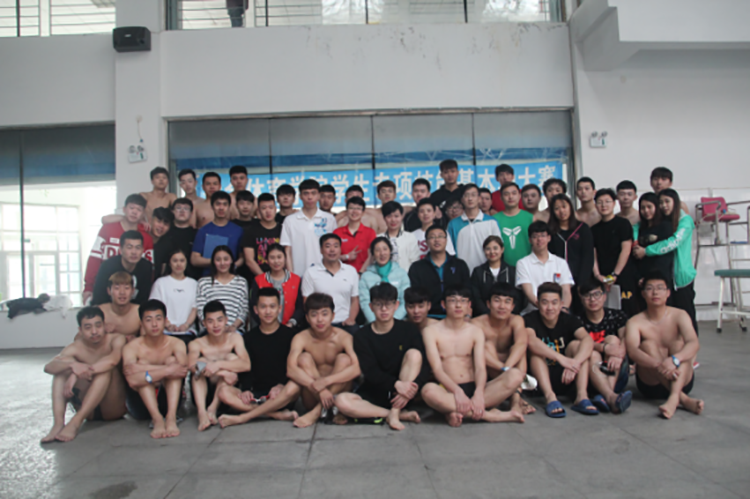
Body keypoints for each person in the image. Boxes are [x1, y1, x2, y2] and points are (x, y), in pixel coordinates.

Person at [421, 285, 525, 427]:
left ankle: (454, 411)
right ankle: (489, 415)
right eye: (452, 301)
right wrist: (457, 391)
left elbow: (480, 368)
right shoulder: (431, 331)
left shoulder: (475, 331)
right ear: (443, 304)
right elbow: (437, 369)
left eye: (463, 301)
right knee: (428, 391)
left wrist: (479, 393)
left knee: (516, 375)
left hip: (474, 386)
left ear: (469, 305)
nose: (458, 305)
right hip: (448, 389)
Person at [335, 283, 428, 430]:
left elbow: (425, 365)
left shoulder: (409, 330)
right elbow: (370, 371)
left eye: (388, 304)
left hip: (403, 394)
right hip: (374, 392)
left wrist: (410, 389)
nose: (384, 309)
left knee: (414, 354)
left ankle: (395, 411)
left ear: (396, 305)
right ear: (371, 307)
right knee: (341, 400)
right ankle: (395, 415)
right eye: (379, 304)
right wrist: (395, 384)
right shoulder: (362, 335)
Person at [217, 288, 302, 428]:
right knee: (223, 392)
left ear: (279, 309)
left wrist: (281, 385)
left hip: (280, 395)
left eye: (272, 306)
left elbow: (294, 367)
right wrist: (246, 389)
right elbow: (246, 368)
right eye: (263, 307)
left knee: (295, 387)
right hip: (256, 395)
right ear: (256, 310)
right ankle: (275, 414)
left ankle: (244, 417)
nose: (268, 311)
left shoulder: (291, 336)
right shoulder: (248, 338)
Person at [41, 307, 127, 443]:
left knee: (105, 369)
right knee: (60, 372)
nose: (94, 331)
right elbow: (49, 367)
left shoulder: (116, 339)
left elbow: (113, 360)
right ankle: (58, 424)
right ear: (80, 330)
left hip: (112, 408)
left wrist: (76, 374)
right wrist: (72, 365)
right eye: (88, 327)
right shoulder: (76, 347)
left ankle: (76, 422)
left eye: (98, 326)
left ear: (104, 326)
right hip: (89, 411)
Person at [625, 271, 703, 419]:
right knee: (647, 345)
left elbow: (694, 343)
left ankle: (674, 397)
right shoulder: (635, 322)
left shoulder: (680, 315)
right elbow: (632, 351)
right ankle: (683, 399)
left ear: (668, 293)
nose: (655, 292)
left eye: (660, 288)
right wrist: (659, 365)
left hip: (681, 379)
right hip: (651, 384)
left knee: (679, 345)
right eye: (650, 288)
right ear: (643, 294)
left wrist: (675, 360)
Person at [286, 293, 361, 428]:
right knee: (304, 358)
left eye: (324, 314)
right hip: (313, 396)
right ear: (307, 318)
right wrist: (320, 390)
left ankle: (317, 412)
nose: (320, 319)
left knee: (344, 359)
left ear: (333, 316)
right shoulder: (301, 338)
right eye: (314, 315)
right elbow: (291, 370)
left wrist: (326, 382)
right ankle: (327, 410)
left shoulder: (343, 337)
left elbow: (357, 369)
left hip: (338, 396)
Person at [525, 282, 599, 418]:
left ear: (561, 304)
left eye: (554, 303)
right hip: (540, 379)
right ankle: (550, 398)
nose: (550, 308)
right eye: (545, 303)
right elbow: (531, 341)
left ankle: (581, 396)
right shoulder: (530, 319)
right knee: (536, 353)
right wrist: (562, 359)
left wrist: (575, 363)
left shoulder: (570, 320)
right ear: (537, 303)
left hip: (567, 376)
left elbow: (587, 340)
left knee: (577, 345)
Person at [633, 189, 698, 335]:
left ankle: (692, 344)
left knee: (686, 314)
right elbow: (637, 226)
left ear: (676, 202)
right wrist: (636, 240)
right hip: (667, 276)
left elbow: (673, 242)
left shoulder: (685, 220)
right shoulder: (663, 221)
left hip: (681, 276)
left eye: (667, 201)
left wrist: (646, 251)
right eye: (661, 202)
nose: (664, 206)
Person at [122, 300, 188, 438]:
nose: (154, 324)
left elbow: (182, 369)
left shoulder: (176, 343)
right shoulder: (131, 347)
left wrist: (146, 370)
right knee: (148, 370)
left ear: (165, 321)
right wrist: (167, 371)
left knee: (170, 361)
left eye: (158, 319)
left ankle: (171, 417)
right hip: (141, 406)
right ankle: (157, 419)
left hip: (168, 401)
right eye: (148, 320)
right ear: (141, 323)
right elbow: (133, 380)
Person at [471, 282, 535, 415]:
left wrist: (508, 367)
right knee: (487, 346)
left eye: (507, 302)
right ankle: (515, 398)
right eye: (497, 301)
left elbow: (521, 344)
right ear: (488, 304)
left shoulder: (516, 320)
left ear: (513, 306)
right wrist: (505, 369)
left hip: (510, 368)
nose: (502, 306)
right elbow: (477, 352)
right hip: (489, 374)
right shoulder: (477, 323)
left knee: (518, 350)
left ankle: (515, 399)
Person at [188, 300, 251, 431]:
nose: (216, 325)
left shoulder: (234, 338)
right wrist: (222, 372)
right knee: (200, 364)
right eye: (210, 321)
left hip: (226, 393)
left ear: (226, 320)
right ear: (204, 323)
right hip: (203, 394)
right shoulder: (197, 343)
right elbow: (192, 366)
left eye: (219, 320)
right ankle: (202, 413)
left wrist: (219, 365)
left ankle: (213, 409)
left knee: (231, 358)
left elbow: (246, 364)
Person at [83, 194, 153, 304]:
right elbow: (94, 258)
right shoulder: (107, 229)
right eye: (131, 208)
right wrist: (88, 286)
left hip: (133, 296)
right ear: (124, 209)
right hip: (104, 288)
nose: (134, 212)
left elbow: (147, 272)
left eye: (139, 210)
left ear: (143, 213)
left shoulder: (146, 238)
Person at [577, 279, 632, 414]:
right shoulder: (577, 321)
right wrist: (604, 348)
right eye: (587, 295)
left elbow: (625, 338)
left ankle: (607, 395)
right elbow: (581, 344)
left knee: (613, 339)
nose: (592, 299)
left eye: (597, 294)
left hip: (616, 371)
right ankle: (610, 397)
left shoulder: (617, 316)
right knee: (592, 353)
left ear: (604, 296)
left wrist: (618, 354)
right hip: (590, 376)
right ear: (581, 299)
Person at [592, 188, 638, 316]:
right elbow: (593, 254)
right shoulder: (593, 229)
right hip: (602, 277)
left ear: (614, 203)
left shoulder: (623, 224)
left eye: (607, 201)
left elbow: (626, 250)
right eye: (600, 202)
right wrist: (598, 275)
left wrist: (614, 275)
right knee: (607, 312)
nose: (604, 205)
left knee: (627, 311)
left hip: (623, 275)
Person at [301, 234, 359, 334]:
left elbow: (354, 300)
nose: (332, 250)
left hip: (344, 323)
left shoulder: (351, 271)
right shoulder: (311, 272)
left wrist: (351, 319)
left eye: (336, 246)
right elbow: (307, 302)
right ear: (321, 250)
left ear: (340, 249)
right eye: (327, 246)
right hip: (321, 324)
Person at [408, 225, 471, 318]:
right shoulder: (417, 267)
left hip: (456, 315)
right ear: (426, 242)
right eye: (432, 237)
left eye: (440, 236)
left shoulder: (460, 265)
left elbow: (467, 291)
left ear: (446, 240)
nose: (437, 240)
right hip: (428, 316)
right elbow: (416, 295)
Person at [548, 194, 594, 313]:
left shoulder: (582, 228)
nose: (561, 211)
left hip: (579, 278)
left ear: (570, 207)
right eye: (557, 208)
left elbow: (588, 257)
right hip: (558, 280)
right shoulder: (550, 232)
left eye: (564, 206)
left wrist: (582, 282)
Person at [515, 222, 575, 314]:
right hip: (533, 312)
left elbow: (566, 291)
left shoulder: (560, 263)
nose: (539, 239)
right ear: (530, 240)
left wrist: (564, 309)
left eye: (543, 235)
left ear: (549, 238)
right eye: (535, 236)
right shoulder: (523, 263)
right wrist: (545, 309)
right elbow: (528, 292)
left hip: (558, 312)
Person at [281, 179, 337, 274]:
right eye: (306, 193)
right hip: (298, 274)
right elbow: (287, 251)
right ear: (300, 196)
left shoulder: (329, 219)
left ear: (318, 196)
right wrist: (291, 276)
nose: (310, 197)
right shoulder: (290, 220)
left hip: (325, 273)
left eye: (313, 193)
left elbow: (335, 248)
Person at [447, 183, 502, 273]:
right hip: (462, 272)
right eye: (466, 195)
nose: (470, 198)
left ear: (479, 198)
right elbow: (450, 251)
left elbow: (498, 248)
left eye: (473, 195)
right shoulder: (453, 224)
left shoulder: (492, 222)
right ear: (462, 200)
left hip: (486, 272)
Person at [196, 246, 249, 334]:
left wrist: (233, 326)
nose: (222, 263)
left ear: (231, 260)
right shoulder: (203, 282)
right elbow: (200, 309)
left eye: (226, 259)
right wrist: (214, 327)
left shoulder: (241, 282)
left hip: (234, 331)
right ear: (213, 262)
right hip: (210, 331)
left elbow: (244, 309)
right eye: (218, 260)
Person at [149, 248, 198, 343]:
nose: (178, 264)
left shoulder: (194, 284)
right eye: (175, 261)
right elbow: (155, 308)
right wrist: (167, 325)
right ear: (169, 263)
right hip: (164, 331)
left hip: (187, 332)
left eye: (182, 261)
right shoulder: (160, 283)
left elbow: (195, 308)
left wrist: (186, 325)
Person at [91, 231, 153, 306]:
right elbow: (99, 298)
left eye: (138, 248)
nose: (134, 252)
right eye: (129, 247)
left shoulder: (146, 267)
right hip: (108, 308)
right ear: (120, 250)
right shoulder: (107, 266)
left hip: (134, 310)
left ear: (142, 250)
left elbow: (143, 298)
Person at [250, 243, 304, 329]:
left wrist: (291, 323)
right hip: (265, 328)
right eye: (272, 258)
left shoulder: (296, 280)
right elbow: (253, 307)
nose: (276, 261)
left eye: (279, 257)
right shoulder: (259, 280)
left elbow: (300, 307)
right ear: (267, 260)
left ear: (285, 258)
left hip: (290, 328)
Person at [192, 191, 244, 276]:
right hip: (208, 277)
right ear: (212, 207)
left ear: (229, 207)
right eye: (218, 204)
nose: (221, 208)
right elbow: (194, 259)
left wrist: (231, 266)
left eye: (225, 204)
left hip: (231, 277)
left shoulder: (238, 230)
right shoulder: (203, 231)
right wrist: (218, 262)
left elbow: (242, 258)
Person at [359, 237, 410, 323]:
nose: (382, 253)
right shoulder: (366, 276)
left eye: (385, 249)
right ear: (373, 254)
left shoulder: (401, 273)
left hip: (398, 322)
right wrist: (376, 322)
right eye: (377, 250)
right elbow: (365, 303)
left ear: (390, 251)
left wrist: (393, 321)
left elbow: (405, 300)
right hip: (374, 323)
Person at [632, 192, 675, 288]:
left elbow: (665, 256)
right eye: (642, 208)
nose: (646, 211)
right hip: (641, 280)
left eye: (649, 207)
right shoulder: (639, 228)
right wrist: (638, 277)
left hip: (660, 280)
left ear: (656, 207)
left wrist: (651, 278)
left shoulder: (665, 226)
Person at [470, 236, 521, 316]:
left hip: (509, 316)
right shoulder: (478, 272)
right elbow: (476, 297)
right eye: (488, 249)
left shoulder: (512, 271)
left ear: (502, 249)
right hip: (484, 317)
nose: (492, 252)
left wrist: (509, 313)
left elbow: (519, 297)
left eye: (495, 248)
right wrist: (488, 314)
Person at [241, 192, 282, 277]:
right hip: (259, 278)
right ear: (258, 211)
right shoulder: (250, 231)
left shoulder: (283, 229)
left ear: (275, 209)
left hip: (281, 277)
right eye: (264, 208)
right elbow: (249, 260)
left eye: (271, 207)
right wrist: (265, 279)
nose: (268, 211)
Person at [492, 182, 533, 267]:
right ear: (501, 198)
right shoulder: (494, 220)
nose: (510, 197)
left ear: (519, 196)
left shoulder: (530, 218)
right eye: (506, 194)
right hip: (502, 268)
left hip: (528, 266)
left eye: (514, 193)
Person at [334, 196, 376, 273]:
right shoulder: (337, 232)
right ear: (346, 211)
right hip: (342, 274)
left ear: (363, 212)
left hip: (365, 274)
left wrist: (361, 273)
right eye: (351, 208)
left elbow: (372, 256)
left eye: (358, 208)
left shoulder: (370, 232)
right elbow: (332, 256)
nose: (354, 211)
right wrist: (346, 257)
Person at [160, 197, 199, 279]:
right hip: (168, 278)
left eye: (186, 209)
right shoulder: (165, 232)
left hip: (193, 278)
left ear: (191, 213)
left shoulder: (197, 234)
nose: (182, 211)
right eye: (178, 208)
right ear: (172, 211)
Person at [98, 272, 141, 341]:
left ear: (133, 291)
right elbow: (81, 337)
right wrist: (100, 330)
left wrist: (137, 340)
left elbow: (149, 340)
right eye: (117, 288)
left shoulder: (140, 311)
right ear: (109, 291)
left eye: (126, 288)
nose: (122, 292)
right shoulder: (99, 312)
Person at [379, 201, 420, 272]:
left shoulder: (410, 237)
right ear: (384, 218)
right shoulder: (378, 238)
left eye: (396, 216)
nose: (393, 220)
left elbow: (415, 261)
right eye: (389, 216)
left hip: (406, 276)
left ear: (401, 217)